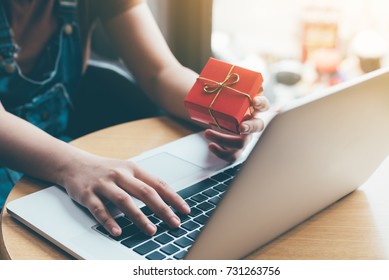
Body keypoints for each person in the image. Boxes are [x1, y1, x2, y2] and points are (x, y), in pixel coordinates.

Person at [0, 0, 270, 237]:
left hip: (61, 159)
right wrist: (73, 165)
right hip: (58, 162)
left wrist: (224, 109)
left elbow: (161, 72)